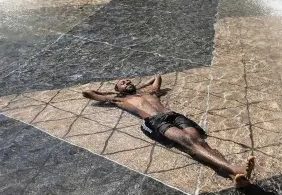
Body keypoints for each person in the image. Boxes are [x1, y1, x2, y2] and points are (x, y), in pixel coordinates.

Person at [82, 75, 256, 187]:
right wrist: (113, 90)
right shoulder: (118, 100)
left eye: (128, 81)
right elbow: (88, 93)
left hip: (174, 116)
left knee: (200, 143)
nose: (127, 83)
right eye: (122, 83)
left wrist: (140, 86)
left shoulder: (150, 92)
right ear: (117, 89)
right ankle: (234, 169)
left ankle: (235, 178)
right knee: (190, 143)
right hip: (155, 121)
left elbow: (157, 77)